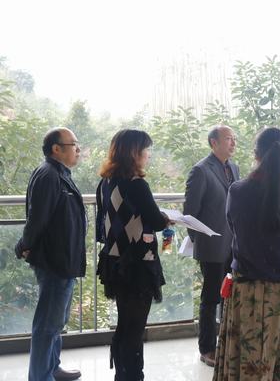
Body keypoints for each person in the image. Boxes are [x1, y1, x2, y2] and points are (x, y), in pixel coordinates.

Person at [213, 127, 280, 380]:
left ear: (256, 154)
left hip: (246, 289)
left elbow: (234, 228)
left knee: (246, 360)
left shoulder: (237, 191)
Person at [96, 129, 171, 380]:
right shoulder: (137, 184)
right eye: (145, 150)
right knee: (135, 327)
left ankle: (122, 374)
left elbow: (103, 224)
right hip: (138, 262)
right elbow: (156, 221)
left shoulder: (105, 183)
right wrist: (166, 218)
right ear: (133, 152)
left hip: (114, 260)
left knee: (125, 323)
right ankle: (133, 375)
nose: (148, 155)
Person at [14, 127, 86, 381]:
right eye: (74, 144)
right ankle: (40, 376)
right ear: (57, 149)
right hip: (55, 260)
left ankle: (52, 368)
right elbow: (37, 218)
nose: (78, 149)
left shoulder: (60, 174)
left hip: (64, 259)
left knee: (56, 321)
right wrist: (24, 244)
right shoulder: (48, 175)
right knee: (47, 324)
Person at [183, 125, 240, 367]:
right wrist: (201, 241)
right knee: (211, 299)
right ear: (213, 143)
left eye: (234, 138)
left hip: (234, 245)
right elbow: (190, 213)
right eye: (228, 138)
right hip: (212, 246)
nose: (233, 143)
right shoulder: (201, 170)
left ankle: (228, 344)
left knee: (231, 295)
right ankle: (207, 348)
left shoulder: (234, 168)